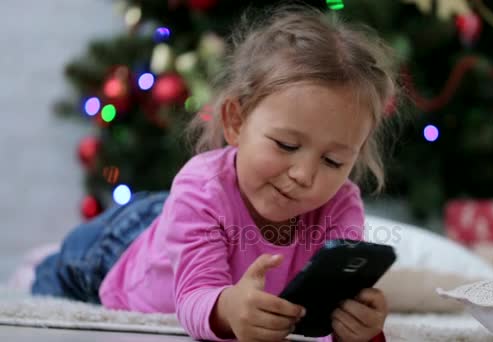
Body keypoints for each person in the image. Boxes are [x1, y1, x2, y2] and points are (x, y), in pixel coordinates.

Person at [32, 4, 398, 342]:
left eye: (333, 161)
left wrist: (360, 327)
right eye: (286, 145)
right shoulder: (201, 188)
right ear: (235, 122)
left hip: (186, 219)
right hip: (117, 251)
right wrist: (228, 310)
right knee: (52, 277)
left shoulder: (340, 204)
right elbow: (193, 296)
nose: (304, 175)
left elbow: (328, 305)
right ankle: (43, 259)